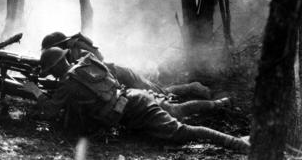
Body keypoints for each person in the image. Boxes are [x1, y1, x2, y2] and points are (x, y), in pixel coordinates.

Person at [22, 48, 249, 152]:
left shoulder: (68, 83)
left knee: (182, 132)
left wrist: (35, 91)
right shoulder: (85, 64)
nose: (51, 74)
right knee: (177, 111)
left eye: (50, 70)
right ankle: (220, 105)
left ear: (55, 67)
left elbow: (50, 111)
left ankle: (240, 143)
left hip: (134, 109)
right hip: (133, 100)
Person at [41, 32, 211, 100]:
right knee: (154, 93)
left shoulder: (77, 47)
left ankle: (193, 87)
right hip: (111, 80)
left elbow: (99, 57)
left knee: (160, 92)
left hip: (118, 73)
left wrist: (80, 46)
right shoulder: (65, 56)